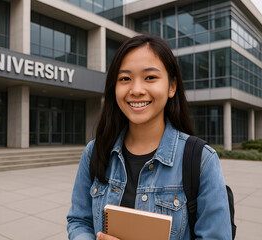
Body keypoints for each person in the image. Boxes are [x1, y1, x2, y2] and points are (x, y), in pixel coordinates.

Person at [67, 34, 232, 240]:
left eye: (150, 77)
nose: (136, 90)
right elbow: (79, 221)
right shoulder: (94, 152)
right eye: (125, 79)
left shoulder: (201, 160)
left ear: (172, 86)